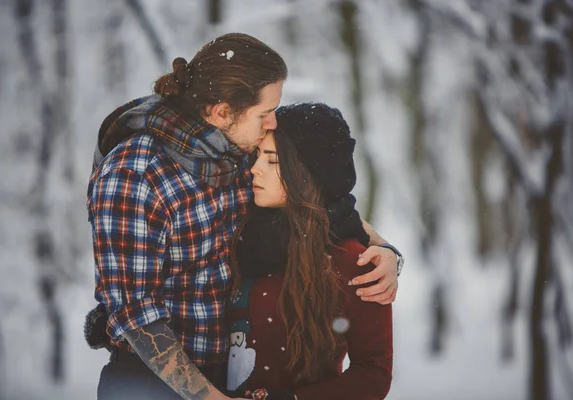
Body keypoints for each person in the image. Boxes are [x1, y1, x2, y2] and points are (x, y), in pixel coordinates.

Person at [87, 32, 401, 400]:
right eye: (264, 114)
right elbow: (136, 316)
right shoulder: (134, 175)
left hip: (229, 374)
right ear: (221, 112)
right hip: (147, 383)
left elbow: (316, 206)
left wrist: (385, 250)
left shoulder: (235, 153)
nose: (272, 125)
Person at [225, 103, 393, 400]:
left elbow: (373, 373)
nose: (254, 169)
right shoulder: (236, 233)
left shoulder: (354, 263)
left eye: (272, 160)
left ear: (307, 173)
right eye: (257, 156)